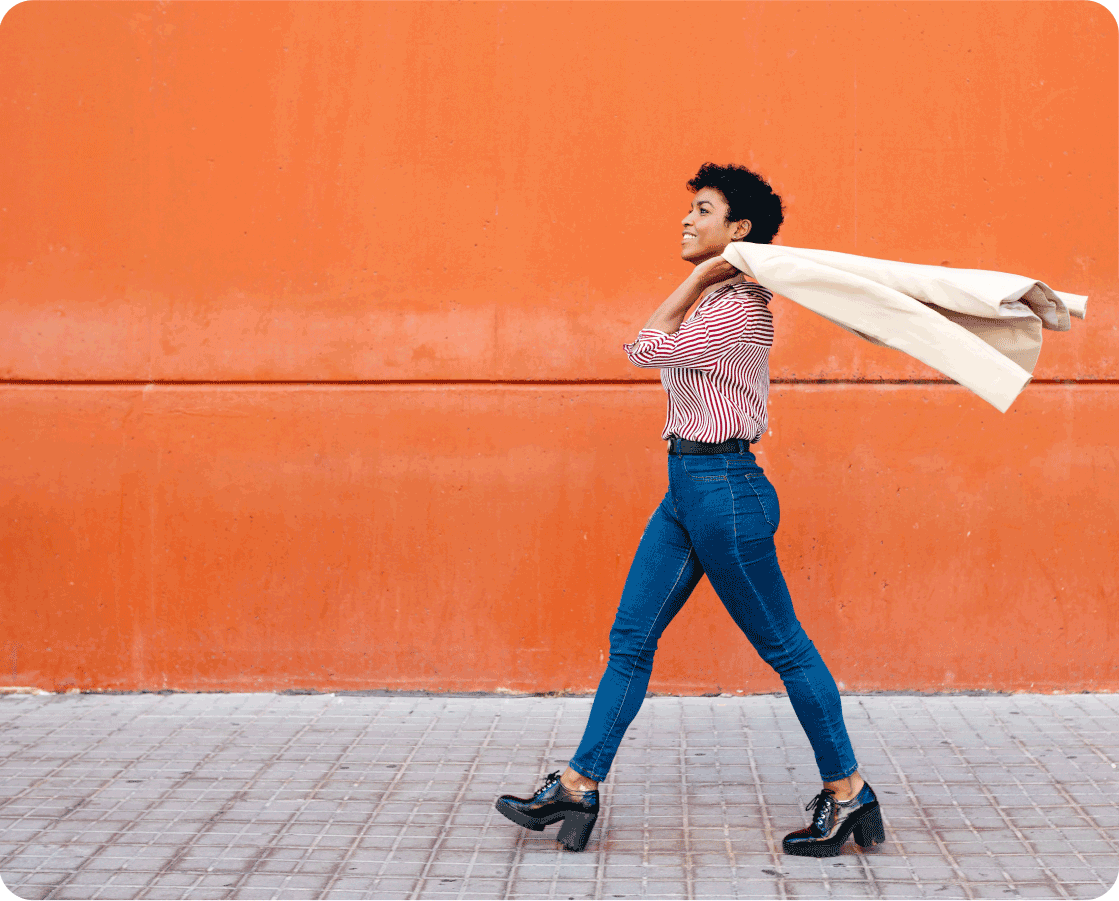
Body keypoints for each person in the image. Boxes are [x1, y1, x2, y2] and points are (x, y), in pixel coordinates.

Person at [495, 163, 885, 858]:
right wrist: (701, 280)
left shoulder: (736, 307)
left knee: (785, 648)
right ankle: (578, 784)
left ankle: (847, 790)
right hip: (686, 489)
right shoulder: (716, 301)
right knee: (630, 638)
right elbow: (652, 339)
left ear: (737, 230)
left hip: (725, 492)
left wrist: (701, 278)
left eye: (701, 210)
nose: (685, 219)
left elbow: (644, 345)